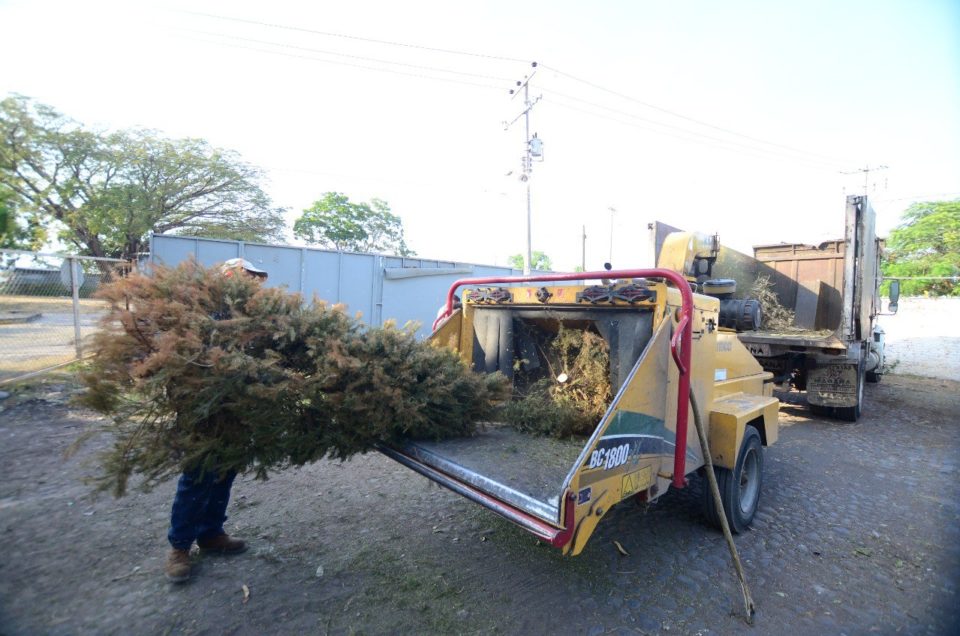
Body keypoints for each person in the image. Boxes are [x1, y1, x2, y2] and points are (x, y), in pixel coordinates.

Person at [164, 258, 268, 583]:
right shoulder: (205, 312)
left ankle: (211, 534)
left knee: (225, 471)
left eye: (254, 279)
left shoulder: (252, 317)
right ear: (228, 279)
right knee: (197, 475)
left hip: (236, 407)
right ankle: (180, 547)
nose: (251, 284)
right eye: (246, 278)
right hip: (204, 407)